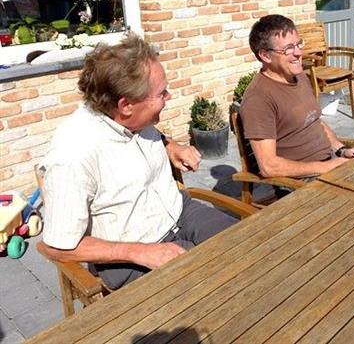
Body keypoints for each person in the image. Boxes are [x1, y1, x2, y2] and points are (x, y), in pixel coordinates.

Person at [40, 34, 236, 290]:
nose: (169, 96)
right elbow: (57, 246)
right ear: (126, 105)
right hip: (133, 254)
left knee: (247, 243)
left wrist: (169, 144)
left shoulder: (129, 117)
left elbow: (136, 137)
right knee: (222, 283)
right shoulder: (73, 155)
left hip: (181, 212)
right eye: (162, 93)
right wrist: (140, 252)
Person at [239, 14, 354, 179]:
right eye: (288, 48)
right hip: (301, 181)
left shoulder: (299, 76)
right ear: (265, 55)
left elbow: (314, 121)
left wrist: (341, 149)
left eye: (298, 44)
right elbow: (269, 167)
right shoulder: (259, 99)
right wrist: (326, 168)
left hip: (328, 164)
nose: (298, 53)